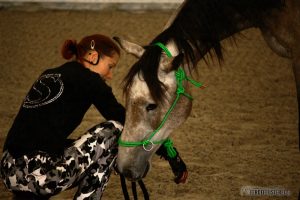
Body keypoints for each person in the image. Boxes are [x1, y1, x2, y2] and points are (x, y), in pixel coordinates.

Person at [0, 34, 187, 200]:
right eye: (110, 66)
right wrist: (172, 155)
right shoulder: (90, 79)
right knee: (115, 129)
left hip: (9, 170)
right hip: (40, 174)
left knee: (94, 149)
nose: (110, 75)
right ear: (92, 56)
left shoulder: (50, 74)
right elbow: (125, 119)